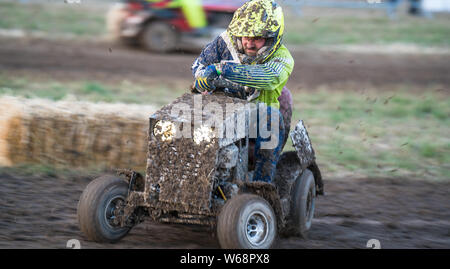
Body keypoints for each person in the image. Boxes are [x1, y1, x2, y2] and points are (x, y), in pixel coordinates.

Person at [192, 0, 294, 183]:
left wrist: (221, 70)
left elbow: (266, 77)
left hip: (255, 118)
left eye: (257, 38)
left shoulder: (283, 58)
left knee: (270, 117)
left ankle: (262, 184)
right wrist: (202, 78)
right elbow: (199, 64)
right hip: (218, 109)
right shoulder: (225, 41)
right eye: (245, 36)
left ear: (272, 37)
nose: (249, 43)